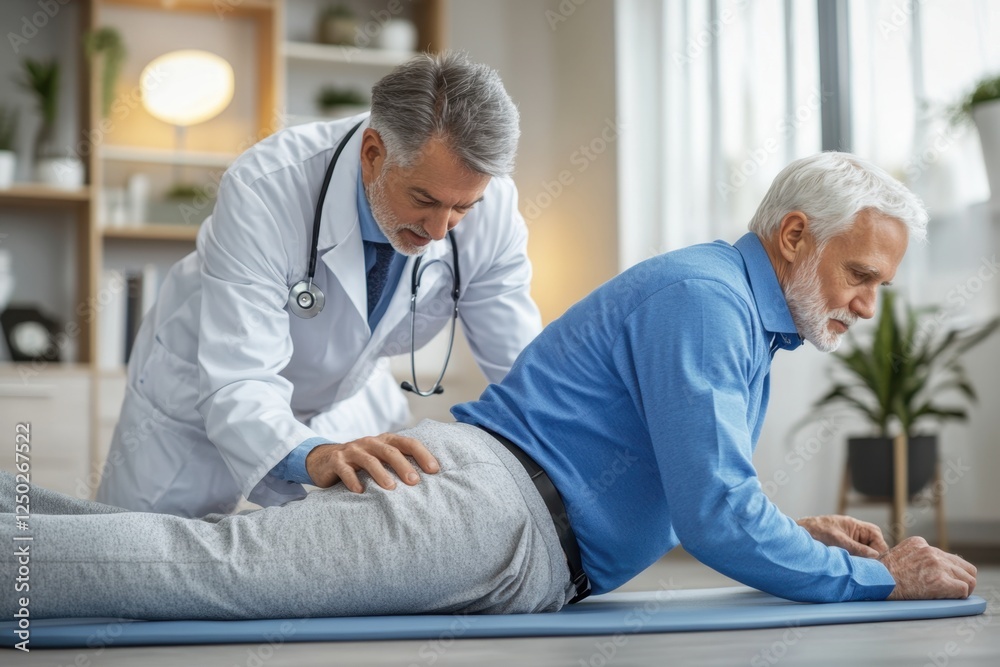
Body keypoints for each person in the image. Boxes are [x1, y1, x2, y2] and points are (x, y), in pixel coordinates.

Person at [4, 153, 977, 621]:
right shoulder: (708, 305)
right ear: (797, 238)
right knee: (210, 573)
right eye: (861, 276)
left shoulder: (732, 309)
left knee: (209, 555)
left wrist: (797, 535)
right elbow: (717, 518)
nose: (865, 306)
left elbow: (689, 489)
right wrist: (878, 573)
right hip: (488, 509)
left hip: (502, 516)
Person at [96, 52, 542, 518]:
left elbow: (521, 366)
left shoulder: (489, 207)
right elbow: (241, 375)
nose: (438, 230)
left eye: (462, 208)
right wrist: (314, 455)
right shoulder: (266, 189)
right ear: (373, 154)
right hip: (195, 408)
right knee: (140, 563)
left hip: (342, 399)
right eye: (423, 199)